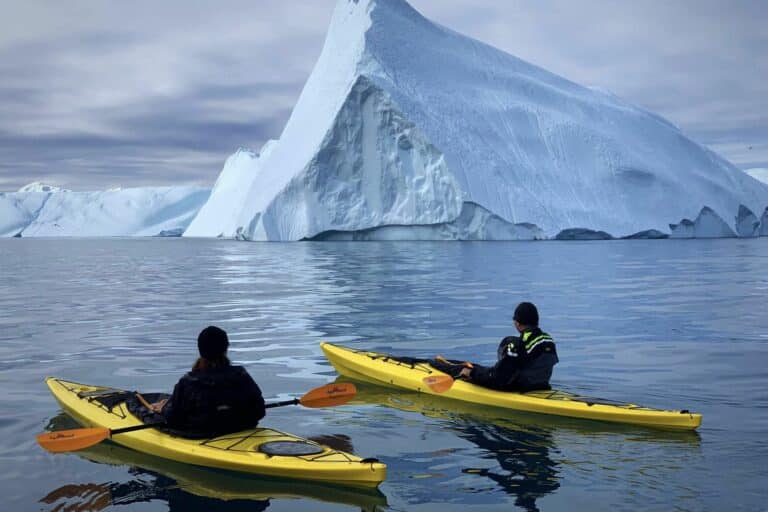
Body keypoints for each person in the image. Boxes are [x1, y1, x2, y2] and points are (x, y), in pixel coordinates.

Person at [151, 326, 266, 436]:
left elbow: (173, 419)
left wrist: (163, 409)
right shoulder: (241, 375)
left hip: (201, 434)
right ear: (226, 349)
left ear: (200, 350)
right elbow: (260, 411)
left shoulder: (188, 382)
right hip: (242, 429)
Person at [458, 302, 558, 391]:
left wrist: (471, 373)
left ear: (517, 323)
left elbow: (497, 379)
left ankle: (451, 368)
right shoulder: (548, 340)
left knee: (467, 369)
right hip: (541, 386)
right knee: (479, 368)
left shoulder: (517, 345)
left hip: (518, 388)